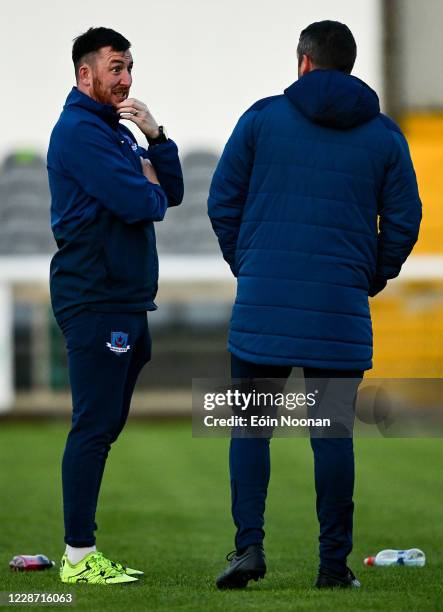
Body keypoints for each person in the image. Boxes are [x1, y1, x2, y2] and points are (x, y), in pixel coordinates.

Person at [208, 20, 421, 589]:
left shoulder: (261, 119)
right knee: (332, 437)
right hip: (338, 311)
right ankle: (333, 567)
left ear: (303, 62)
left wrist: (249, 265)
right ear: (348, 65)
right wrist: (369, 275)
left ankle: (248, 551)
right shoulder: (384, 135)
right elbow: (405, 220)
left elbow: (221, 201)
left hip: (263, 306)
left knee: (250, 430)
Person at [47, 27, 183, 584]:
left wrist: (156, 137)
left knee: (103, 424)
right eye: (116, 68)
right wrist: (144, 185)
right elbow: (140, 201)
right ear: (87, 74)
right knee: (94, 424)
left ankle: (81, 552)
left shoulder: (117, 132)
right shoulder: (80, 131)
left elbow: (168, 192)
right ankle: (78, 557)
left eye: (129, 68)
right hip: (95, 296)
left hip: (126, 298)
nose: (126, 79)